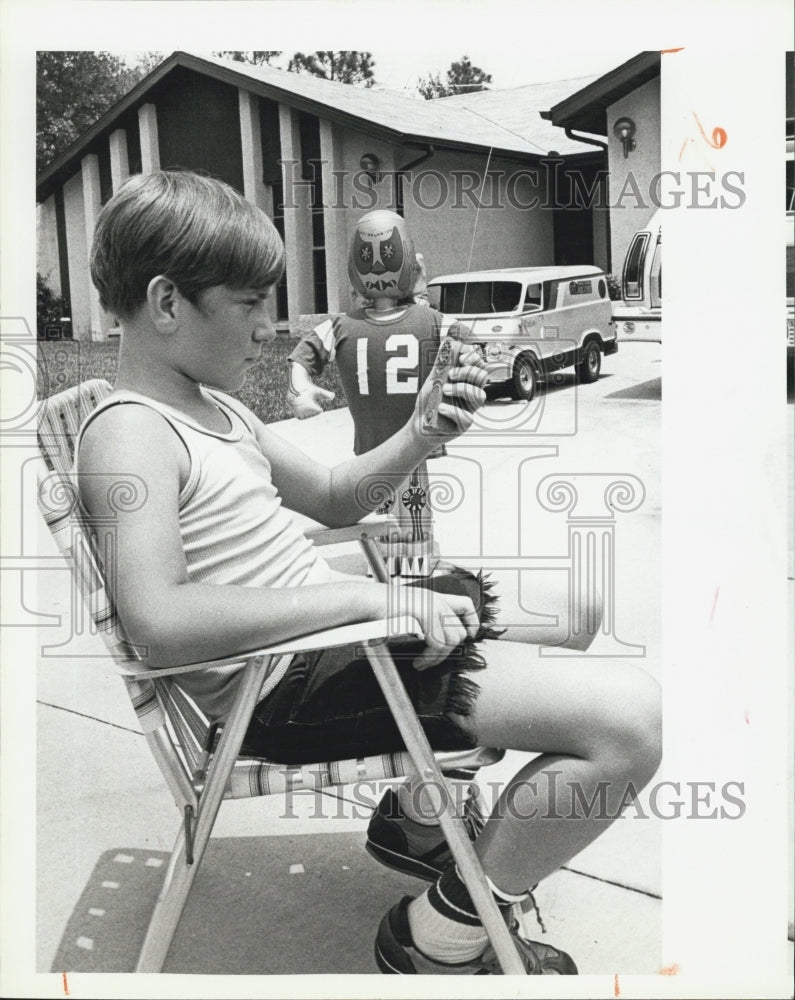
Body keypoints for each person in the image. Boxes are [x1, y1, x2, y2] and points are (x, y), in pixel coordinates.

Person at [78, 170, 661, 976]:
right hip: (279, 689)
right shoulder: (130, 434)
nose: (267, 329)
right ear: (167, 302)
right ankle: (442, 935)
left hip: (332, 643)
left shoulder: (214, 409)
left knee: (576, 609)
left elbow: (330, 494)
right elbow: (160, 622)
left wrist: (422, 432)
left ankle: (419, 819)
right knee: (629, 726)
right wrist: (367, 595)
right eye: (248, 304)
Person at [286, 211, 457, 578]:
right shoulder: (429, 319)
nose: (378, 265)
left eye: (387, 253)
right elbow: (464, 342)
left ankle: (389, 560)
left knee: (388, 502)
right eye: (368, 255)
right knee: (408, 503)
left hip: (387, 440)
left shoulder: (342, 325)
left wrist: (300, 387)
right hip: (408, 439)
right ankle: (408, 560)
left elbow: (303, 355)